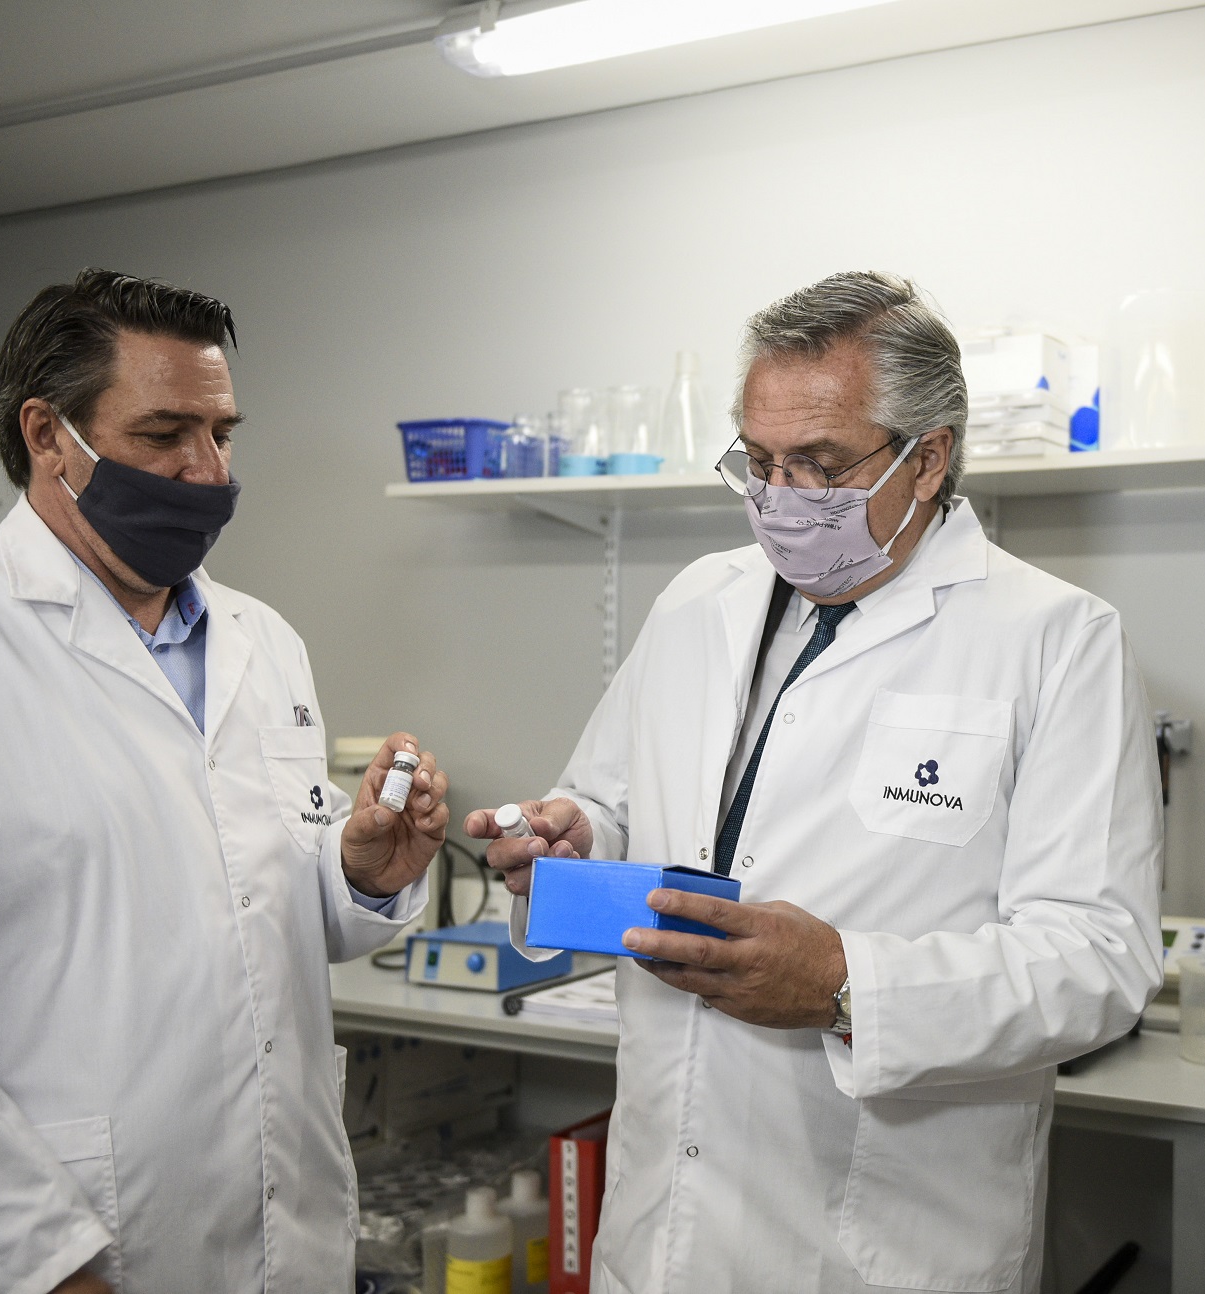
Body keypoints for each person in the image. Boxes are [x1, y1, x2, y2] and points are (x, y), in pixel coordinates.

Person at [466, 271, 1163, 1293]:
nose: (780, 501)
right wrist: (564, 840)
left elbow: (1098, 960)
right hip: (663, 1222)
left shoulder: (1055, 640)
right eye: (758, 462)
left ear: (927, 459)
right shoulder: (698, 601)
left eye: (821, 466)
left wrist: (846, 984)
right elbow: (607, 804)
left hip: (882, 1239)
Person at [0, 270, 447, 1293]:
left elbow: (247, 907)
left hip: (283, 1219)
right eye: (164, 433)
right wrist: (36, 1260)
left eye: (222, 433)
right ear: (49, 436)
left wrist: (358, 876)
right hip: (67, 1234)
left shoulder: (263, 640)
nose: (205, 470)